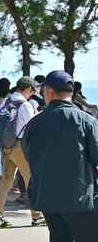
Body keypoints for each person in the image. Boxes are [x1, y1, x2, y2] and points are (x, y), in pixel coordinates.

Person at [23, 71, 98, 242]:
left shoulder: (34, 123)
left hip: (46, 196)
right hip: (80, 198)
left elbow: (28, 154)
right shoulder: (87, 121)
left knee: (58, 237)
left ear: (49, 91)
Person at [0, 77, 46, 229]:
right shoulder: (24, 105)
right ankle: (37, 216)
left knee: (6, 181)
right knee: (31, 180)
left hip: (5, 146)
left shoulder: (6, 102)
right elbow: (32, 127)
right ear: (27, 89)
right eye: (32, 92)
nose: (32, 95)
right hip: (19, 146)